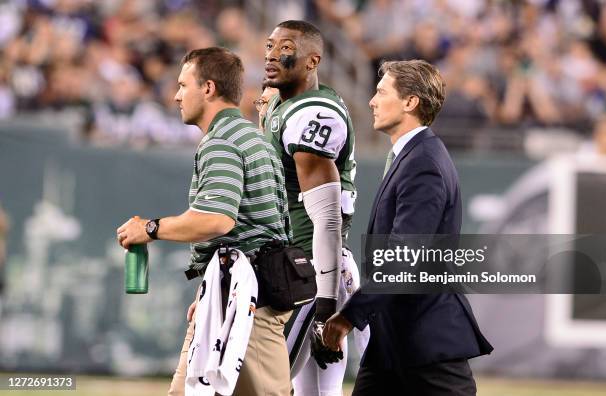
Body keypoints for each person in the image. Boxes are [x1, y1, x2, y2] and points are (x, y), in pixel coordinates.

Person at [116, 47, 293, 396]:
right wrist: (215, 286)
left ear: (208, 88)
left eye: (184, 85)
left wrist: (150, 229)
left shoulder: (222, 140)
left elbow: (217, 219)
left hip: (249, 299)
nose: (177, 95)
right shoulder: (250, 136)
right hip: (238, 290)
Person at [323, 60, 493, 395]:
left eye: (381, 91)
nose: (371, 100)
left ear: (410, 102)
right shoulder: (414, 156)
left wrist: (349, 315)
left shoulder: (423, 163)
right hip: (394, 339)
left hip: (425, 337)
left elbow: (403, 255)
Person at [260, 19, 364, 396]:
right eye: (269, 45)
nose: (272, 55)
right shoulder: (280, 104)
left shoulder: (314, 114)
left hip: (309, 269)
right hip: (293, 265)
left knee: (261, 384)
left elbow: (327, 220)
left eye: (285, 48)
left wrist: (324, 306)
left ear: (312, 60)